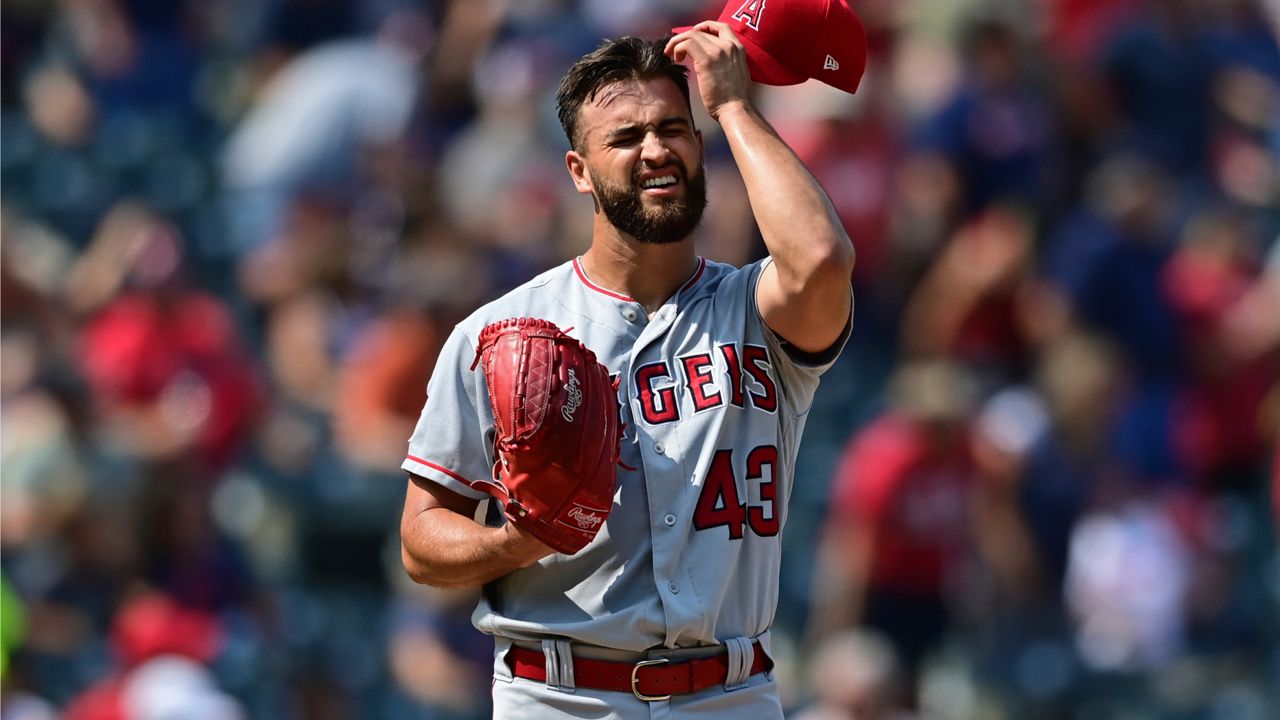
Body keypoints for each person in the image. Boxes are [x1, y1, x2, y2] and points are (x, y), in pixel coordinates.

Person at [399, 23, 854, 718]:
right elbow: (422, 541)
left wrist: (732, 105)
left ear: (700, 147)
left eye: (674, 128)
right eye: (624, 137)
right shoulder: (499, 334)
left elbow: (821, 258)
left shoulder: (756, 309)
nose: (655, 149)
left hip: (730, 695)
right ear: (578, 170)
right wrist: (517, 540)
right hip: (557, 693)